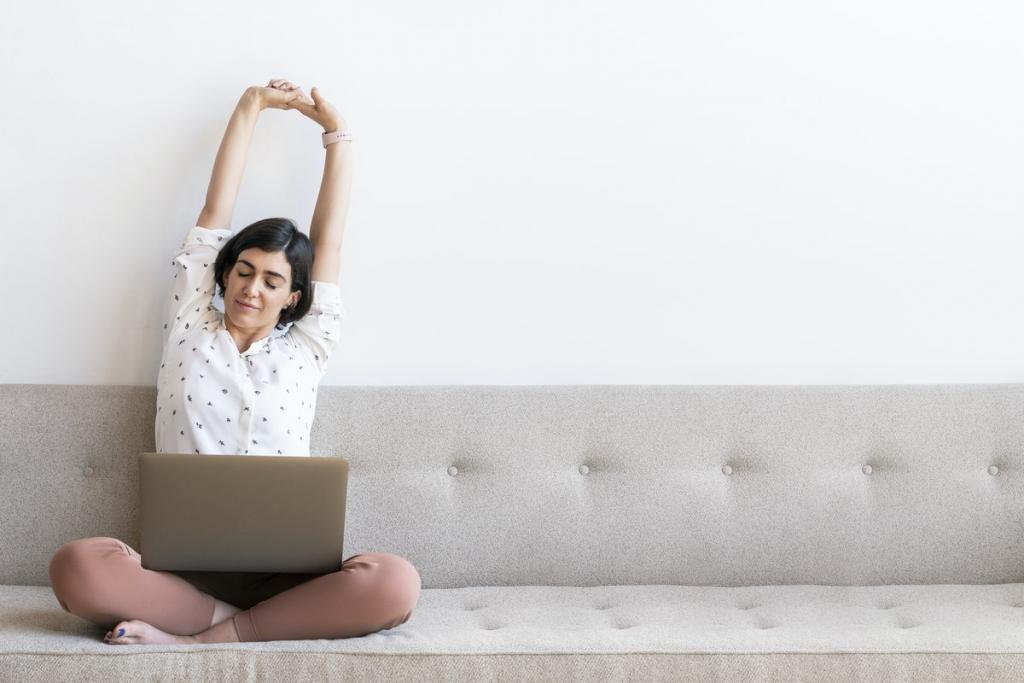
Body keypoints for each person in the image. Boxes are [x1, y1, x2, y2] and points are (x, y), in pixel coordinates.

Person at [48, 79, 421, 645]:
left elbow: (330, 242)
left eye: (272, 281)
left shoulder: (308, 347)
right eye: (243, 272)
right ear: (223, 274)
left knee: (395, 583)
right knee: (77, 566)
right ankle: (237, 626)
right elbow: (215, 209)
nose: (251, 288)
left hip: (288, 577)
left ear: (293, 297)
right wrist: (252, 105)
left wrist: (337, 136)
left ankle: (198, 639)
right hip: (181, 575)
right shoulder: (190, 325)